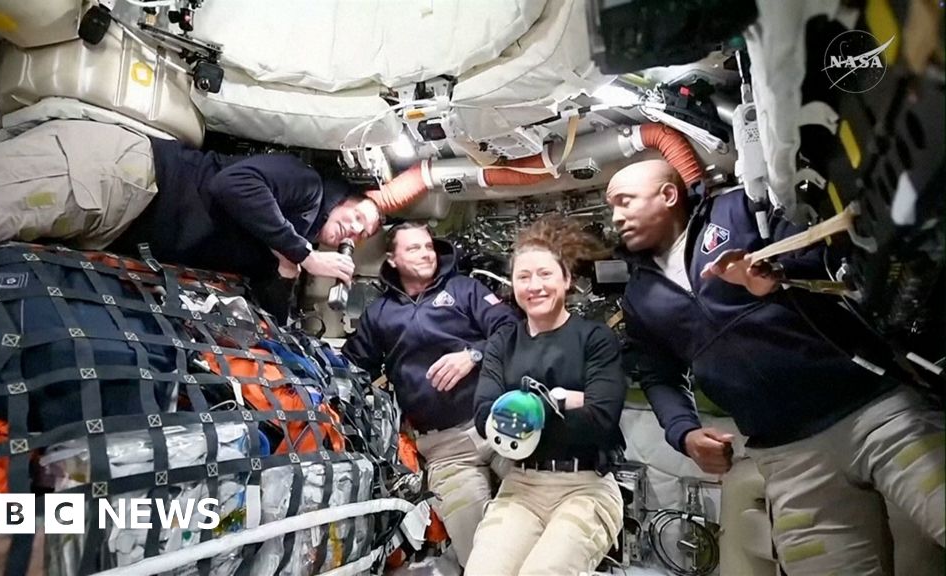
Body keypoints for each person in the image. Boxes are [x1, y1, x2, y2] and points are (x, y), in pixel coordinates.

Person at [608, 159, 945, 574]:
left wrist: (779, 275)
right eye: (612, 207)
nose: (615, 217)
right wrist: (685, 432)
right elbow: (657, 373)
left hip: (877, 412)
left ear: (667, 195)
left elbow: (838, 259)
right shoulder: (639, 295)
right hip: (789, 455)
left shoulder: (743, 209)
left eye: (624, 201)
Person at [0, 119, 382, 321]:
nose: (358, 230)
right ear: (345, 198)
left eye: (364, 235)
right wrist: (302, 253)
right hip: (119, 177)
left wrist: (287, 272)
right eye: (361, 216)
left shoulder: (284, 234)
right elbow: (234, 185)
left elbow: (268, 312)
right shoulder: (307, 185)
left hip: (116, 220)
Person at [341, 222, 518, 567]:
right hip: (445, 449)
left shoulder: (464, 289)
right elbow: (353, 367)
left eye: (428, 246)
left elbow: (511, 329)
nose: (426, 254)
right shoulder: (379, 314)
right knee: (478, 557)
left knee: (547, 505)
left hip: (498, 419)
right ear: (392, 259)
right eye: (413, 248)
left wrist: (473, 355)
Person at [467, 217, 627, 576]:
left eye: (545, 274)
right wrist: (563, 400)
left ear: (566, 280)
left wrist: (520, 409)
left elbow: (601, 419)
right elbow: (484, 416)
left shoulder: (595, 339)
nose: (534, 285)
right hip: (521, 485)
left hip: (585, 486)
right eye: (523, 276)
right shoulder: (503, 343)